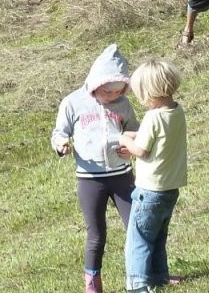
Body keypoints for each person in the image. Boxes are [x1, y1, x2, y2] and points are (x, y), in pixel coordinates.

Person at [52, 44, 140, 293]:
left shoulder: (123, 104)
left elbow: (134, 130)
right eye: (108, 92)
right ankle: (93, 286)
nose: (113, 97)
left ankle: (146, 275)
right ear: (96, 83)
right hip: (90, 180)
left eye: (118, 92)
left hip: (122, 176)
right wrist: (61, 144)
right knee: (96, 233)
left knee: (137, 225)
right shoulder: (72, 102)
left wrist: (130, 146)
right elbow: (60, 132)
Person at [120, 59, 188, 293]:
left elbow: (141, 150)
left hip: (149, 190)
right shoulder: (176, 112)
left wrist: (123, 139)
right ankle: (159, 275)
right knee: (158, 235)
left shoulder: (152, 117)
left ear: (148, 92)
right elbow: (156, 137)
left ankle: (137, 282)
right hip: (170, 188)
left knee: (138, 239)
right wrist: (135, 134)